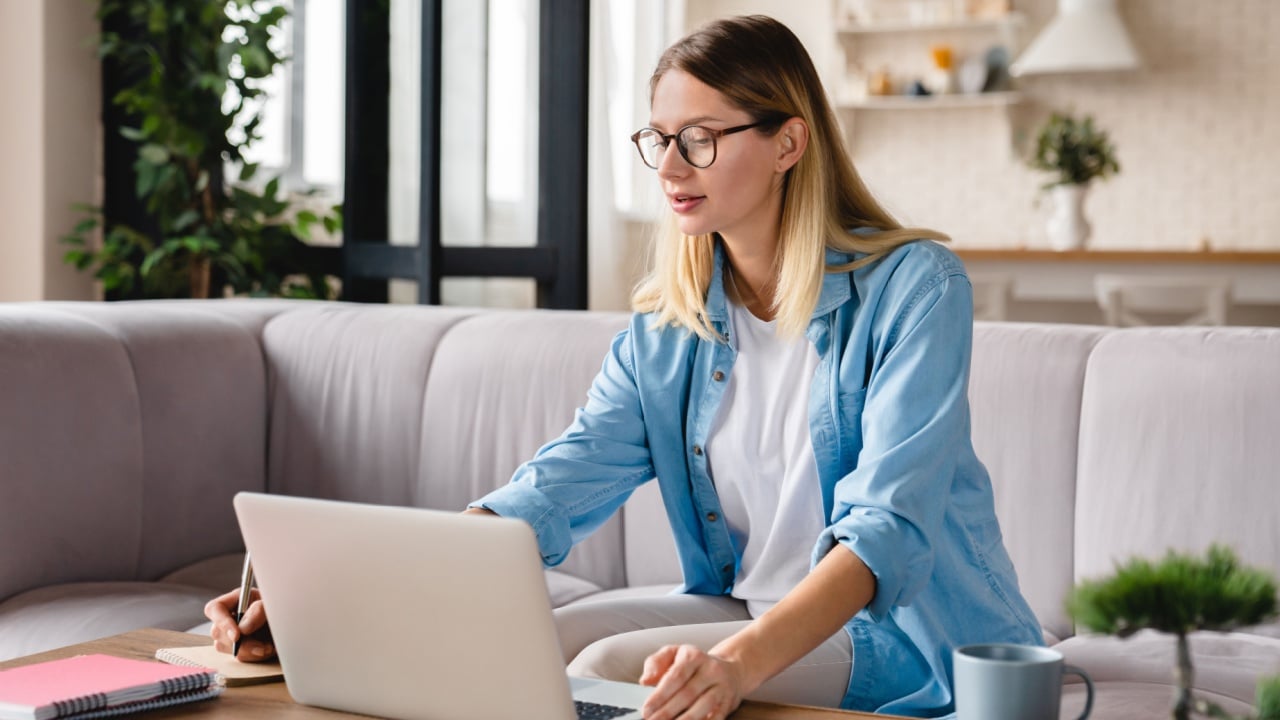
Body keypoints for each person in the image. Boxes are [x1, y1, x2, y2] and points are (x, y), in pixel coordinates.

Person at [207, 14, 1042, 719]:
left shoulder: (915, 289)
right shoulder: (669, 325)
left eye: (701, 139)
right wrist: (338, 604)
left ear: (789, 141)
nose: (670, 167)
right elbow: (556, 486)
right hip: (738, 605)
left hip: (899, 635)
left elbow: (885, 533)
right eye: (660, 139)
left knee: (609, 667)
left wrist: (737, 668)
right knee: (522, 644)